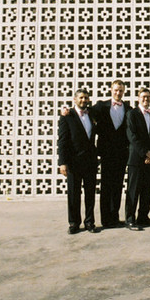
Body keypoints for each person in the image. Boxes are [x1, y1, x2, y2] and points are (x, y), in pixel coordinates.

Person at [57, 88, 98, 234]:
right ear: (74, 99)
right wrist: (62, 162)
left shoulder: (92, 113)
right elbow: (62, 141)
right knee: (74, 194)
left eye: (86, 98)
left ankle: (89, 222)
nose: (83, 100)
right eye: (80, 98)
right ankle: (74, 223)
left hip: (90, 161)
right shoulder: (67, 116)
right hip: (74, 162)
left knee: (90, 194)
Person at [92, 79, 131, 228]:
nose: (118, 93)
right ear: (111, 90)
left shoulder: (128, 108)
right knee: (106, 187)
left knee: (118, 186)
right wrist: (67, 111)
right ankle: (105, 219)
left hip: (121, 153)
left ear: (124, 91)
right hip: (106, 153)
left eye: (120, 90)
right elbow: (85, 111)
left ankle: (115, 217)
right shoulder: (101, 106)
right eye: (115, 90)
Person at [125, 87, 150, 230]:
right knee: (133, 190)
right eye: (143, 97)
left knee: (147, 190)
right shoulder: (132, 114)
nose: (146, 99)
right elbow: (132, 136)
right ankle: (130, 219)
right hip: (136, 158)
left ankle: (143, 216)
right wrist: (145, 152)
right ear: (139, 98)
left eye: (148, 97)